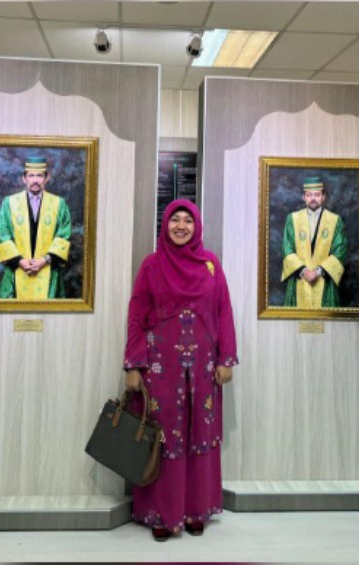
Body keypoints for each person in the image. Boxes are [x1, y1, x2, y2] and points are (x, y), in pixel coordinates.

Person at [123, 199, 238, 542]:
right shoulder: (152, 265)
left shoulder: (210, 265)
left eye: (188, 220)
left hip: (203, 367)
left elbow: (224, 311)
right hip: (161, 366)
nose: (181, 226)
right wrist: (134, 364)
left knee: (199, 434)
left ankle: (195, 509)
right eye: (175, 219)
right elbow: (137, 314)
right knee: (163, 437)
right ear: (165, 225)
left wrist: (226, 359)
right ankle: (162, 512)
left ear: (197, 226)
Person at [0, 156, 72, 299]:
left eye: (39, 176)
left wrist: (45, 260)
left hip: (48, 270)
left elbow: (63, 236)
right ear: (24, 178)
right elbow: (2, 234)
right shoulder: (10, 203)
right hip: (17, 271)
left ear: (47, 178)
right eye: (31, 175)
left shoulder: (58, 204)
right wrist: (20, 261)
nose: (35, 180)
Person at [281, 176, 347, 308]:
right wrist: (304, 271)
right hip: (299, 279)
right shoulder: (293, 219)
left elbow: (340, 251)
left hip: (324, 281)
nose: (313, 198)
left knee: (326, 319)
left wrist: (318, 272)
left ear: (323, 197)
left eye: (317, 195)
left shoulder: (335, 220)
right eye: (309, 195)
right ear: (303, 197)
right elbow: (287, 249)